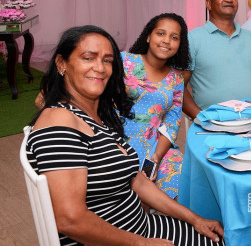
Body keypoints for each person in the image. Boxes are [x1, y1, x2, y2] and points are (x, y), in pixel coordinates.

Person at [26, 25, 224, 245]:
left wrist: (196, 219)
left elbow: (138, 182)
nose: (100, 67)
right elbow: (70, 220)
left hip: (141, 227)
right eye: (88, 58)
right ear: (61, 63)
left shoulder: (95, 116)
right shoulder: (60, 121)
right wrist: (142, 243)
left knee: (220, 235)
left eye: (107, 60)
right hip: (119, 240)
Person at [121, 13, 189, 199]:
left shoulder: (176, 79)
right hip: (117, 142)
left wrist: (156, 157)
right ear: (148, 36)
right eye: (161, 33)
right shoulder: (124, 61)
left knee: (182, 175)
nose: (166, 41)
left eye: (174, 37)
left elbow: (172, 124)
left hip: (156, 146)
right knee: (137, 195)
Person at [183, 0, 251, 116]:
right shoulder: (191, 39)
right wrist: (202, 117)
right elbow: (178, 85)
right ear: (209, 4)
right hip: (213, 120)